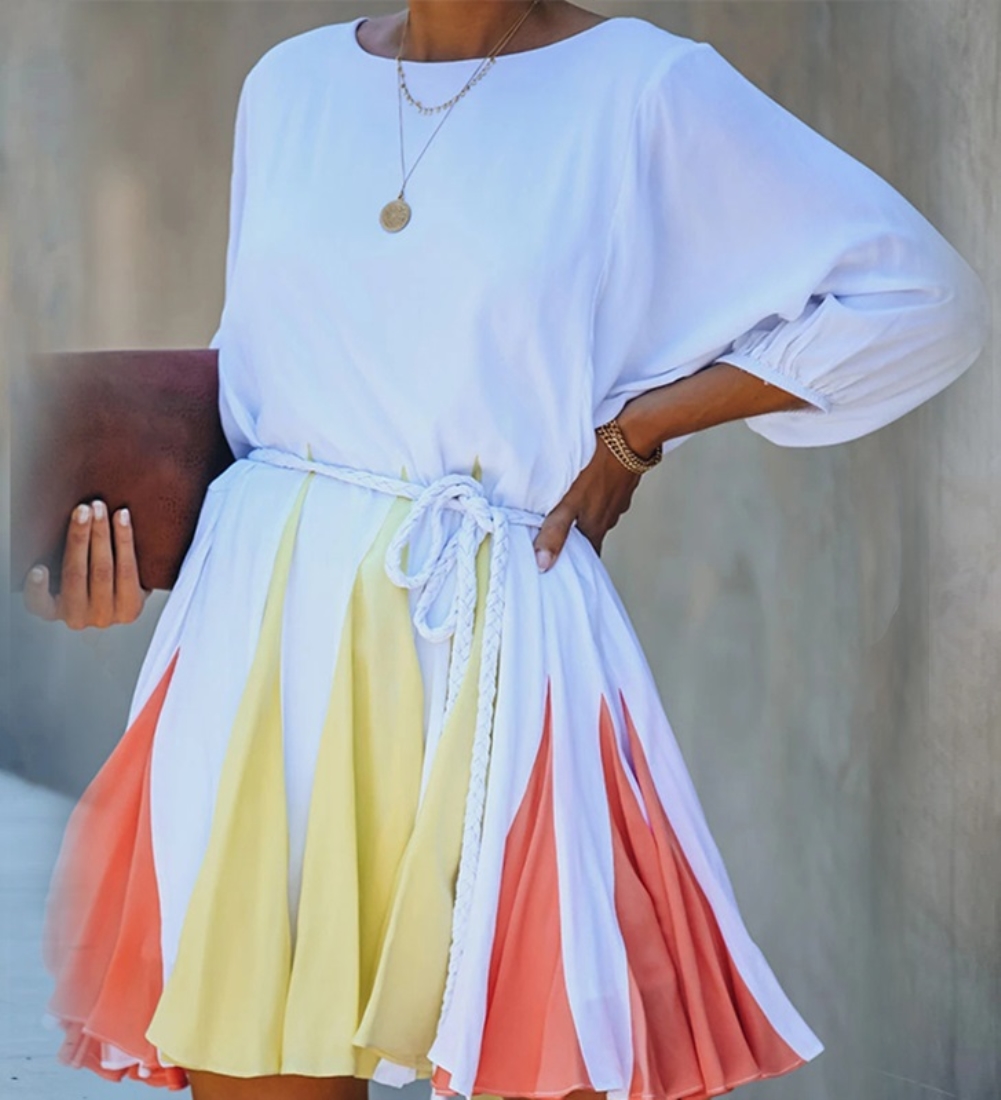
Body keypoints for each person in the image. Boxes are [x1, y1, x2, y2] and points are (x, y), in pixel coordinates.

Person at [26, 3, 990, 1100]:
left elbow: (918, 299)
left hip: (492, 652)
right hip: (261, 652)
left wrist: (642, 426)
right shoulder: (285, 84)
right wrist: (113, 539)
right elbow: (260, 372)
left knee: (546, 1049)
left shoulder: (643, 87)